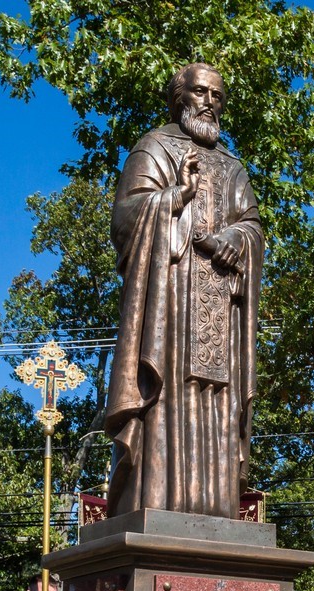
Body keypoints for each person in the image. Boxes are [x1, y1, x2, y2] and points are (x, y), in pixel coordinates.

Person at [105, 62, 264, 518]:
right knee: (164, 404)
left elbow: (252, 226)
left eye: (217, 95)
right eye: (200, 92)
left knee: (216, 408)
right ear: (180, 98)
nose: (209, 102)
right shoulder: (153, 148)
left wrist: (236, 239)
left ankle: (215, 511)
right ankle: (155, 502)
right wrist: (177, 195)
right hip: (169, 312)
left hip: (220, 318)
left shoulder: (233, 167)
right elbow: (125, 219)